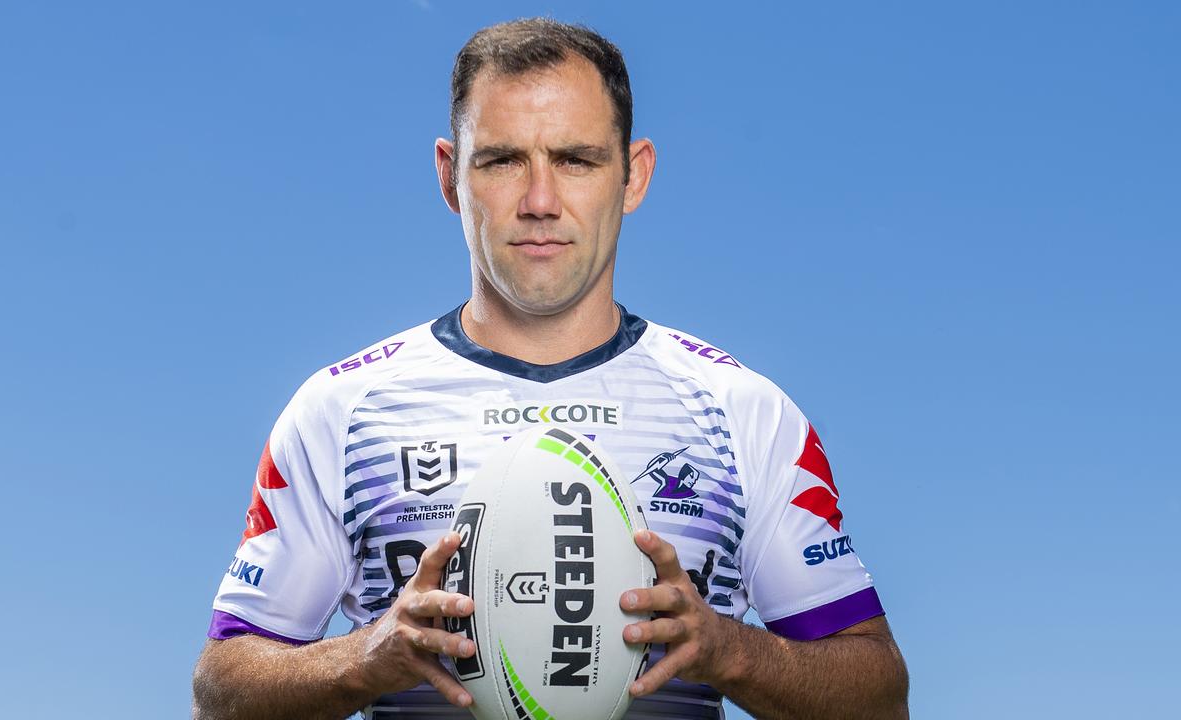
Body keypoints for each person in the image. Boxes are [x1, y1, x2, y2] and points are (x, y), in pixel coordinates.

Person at [193, 18, 908, 720]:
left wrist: (728, 650)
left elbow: (881, 697)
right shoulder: (341, 412)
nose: (540, 202)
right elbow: (218, 694)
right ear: (450, 177)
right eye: (503, 160)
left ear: (634, 175)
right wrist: (366, 656)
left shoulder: (743, 411)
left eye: (576, 159)